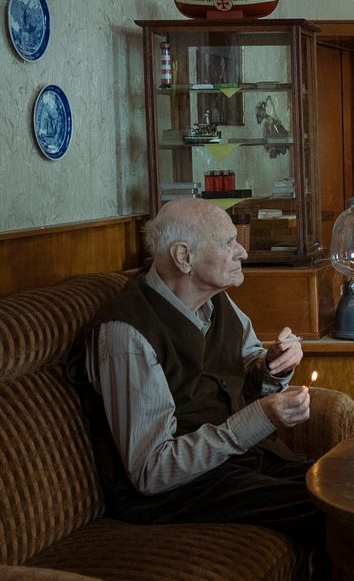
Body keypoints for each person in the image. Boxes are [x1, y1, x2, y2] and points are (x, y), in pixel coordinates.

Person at [68, 198, 328, 579]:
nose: (242, 250)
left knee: (345, 485)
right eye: (227, 242)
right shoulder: (126, 334)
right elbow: (152, 471)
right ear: (184, 257)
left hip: (233, 465)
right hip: (174, 493)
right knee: (330, 510)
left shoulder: (216, 301)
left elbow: (248, 365)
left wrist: (275, 367)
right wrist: (258, 418)